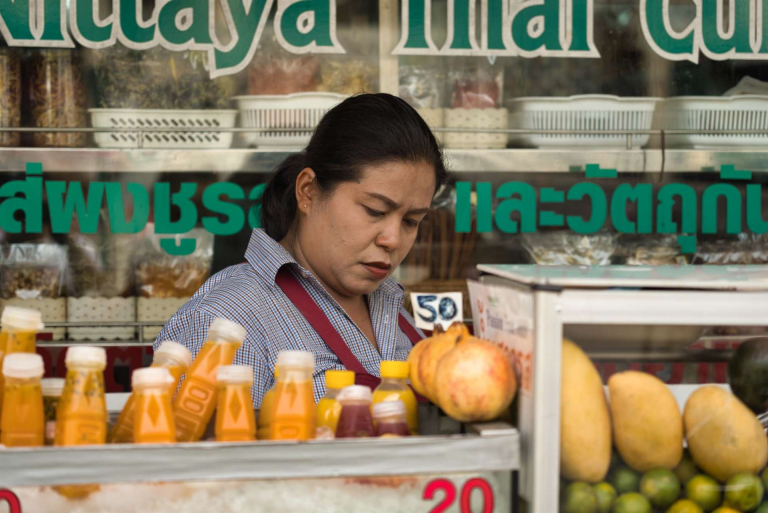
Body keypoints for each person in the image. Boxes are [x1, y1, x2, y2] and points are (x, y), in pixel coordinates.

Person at [155, 93, 447, 407]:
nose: (393, 239)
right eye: (375, 211)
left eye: (411, 221)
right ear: (308, 192)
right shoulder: (226, 323)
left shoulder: (392, 310)